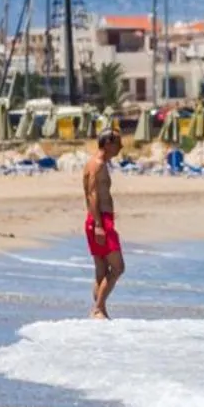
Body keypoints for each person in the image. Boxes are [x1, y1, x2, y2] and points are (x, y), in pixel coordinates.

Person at [83, 130, 125, 319]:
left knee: (101, 268)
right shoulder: (97, 165)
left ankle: (101, 311)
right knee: (117, 268)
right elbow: (92, 194)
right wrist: (99, 224)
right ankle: (98, 308)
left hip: (97, 219)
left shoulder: (96, 164)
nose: (121, 147)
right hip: (99, 220)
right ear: (107, 143)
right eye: (118, 143)